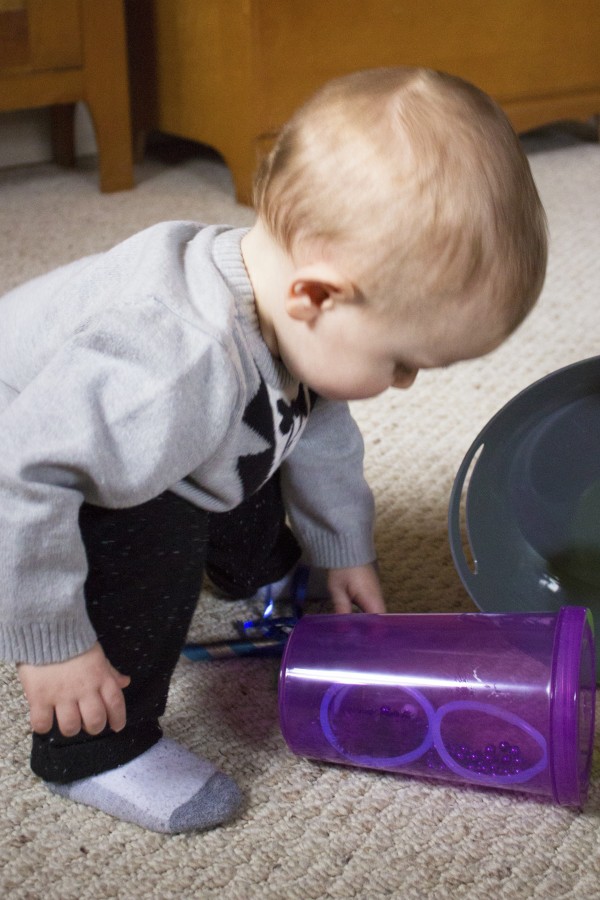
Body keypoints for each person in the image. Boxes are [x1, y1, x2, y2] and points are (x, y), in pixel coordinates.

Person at [0, 67, 547, 834]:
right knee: (155, 529)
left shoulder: (284, 314)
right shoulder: (170, 366)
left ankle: (263, 575)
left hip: (138, 438)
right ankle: (93, 751)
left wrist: (340, 549)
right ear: (318, 296)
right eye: (401, 361)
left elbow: (312, 432)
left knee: (246, 448)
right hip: (28, 463)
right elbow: (24, 475)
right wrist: (50, 642)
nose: (408, 384)